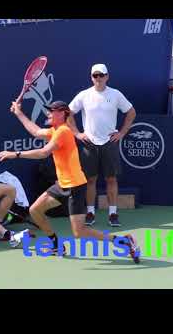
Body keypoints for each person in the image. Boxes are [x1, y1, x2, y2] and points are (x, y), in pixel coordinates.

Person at [0, 101, 140, 263]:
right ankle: (56, 245)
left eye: (52, 111)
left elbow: (44, 153)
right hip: (62, 185)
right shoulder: (55, 130)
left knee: (80, 232)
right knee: (35, 210)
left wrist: (15, 154)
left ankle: (125, 242)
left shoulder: (63, 131)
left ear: (63, 113)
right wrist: (18, 113)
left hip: (75, 187)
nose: (49, 113)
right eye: (49, 110)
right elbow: (35, 131)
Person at [67, 63, 136, 227]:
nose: (98, 78)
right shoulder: (84, 95)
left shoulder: (116, 94)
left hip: (109, 143)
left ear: (107, 76)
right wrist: (77, 133)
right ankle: (90, 212)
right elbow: (68, 113)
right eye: (95, 76)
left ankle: (113, 214)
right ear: (92, 77)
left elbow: (131, 112)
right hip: (89, 143)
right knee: (90, 180)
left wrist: (122, 133)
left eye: (101, 75)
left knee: (111, 179)